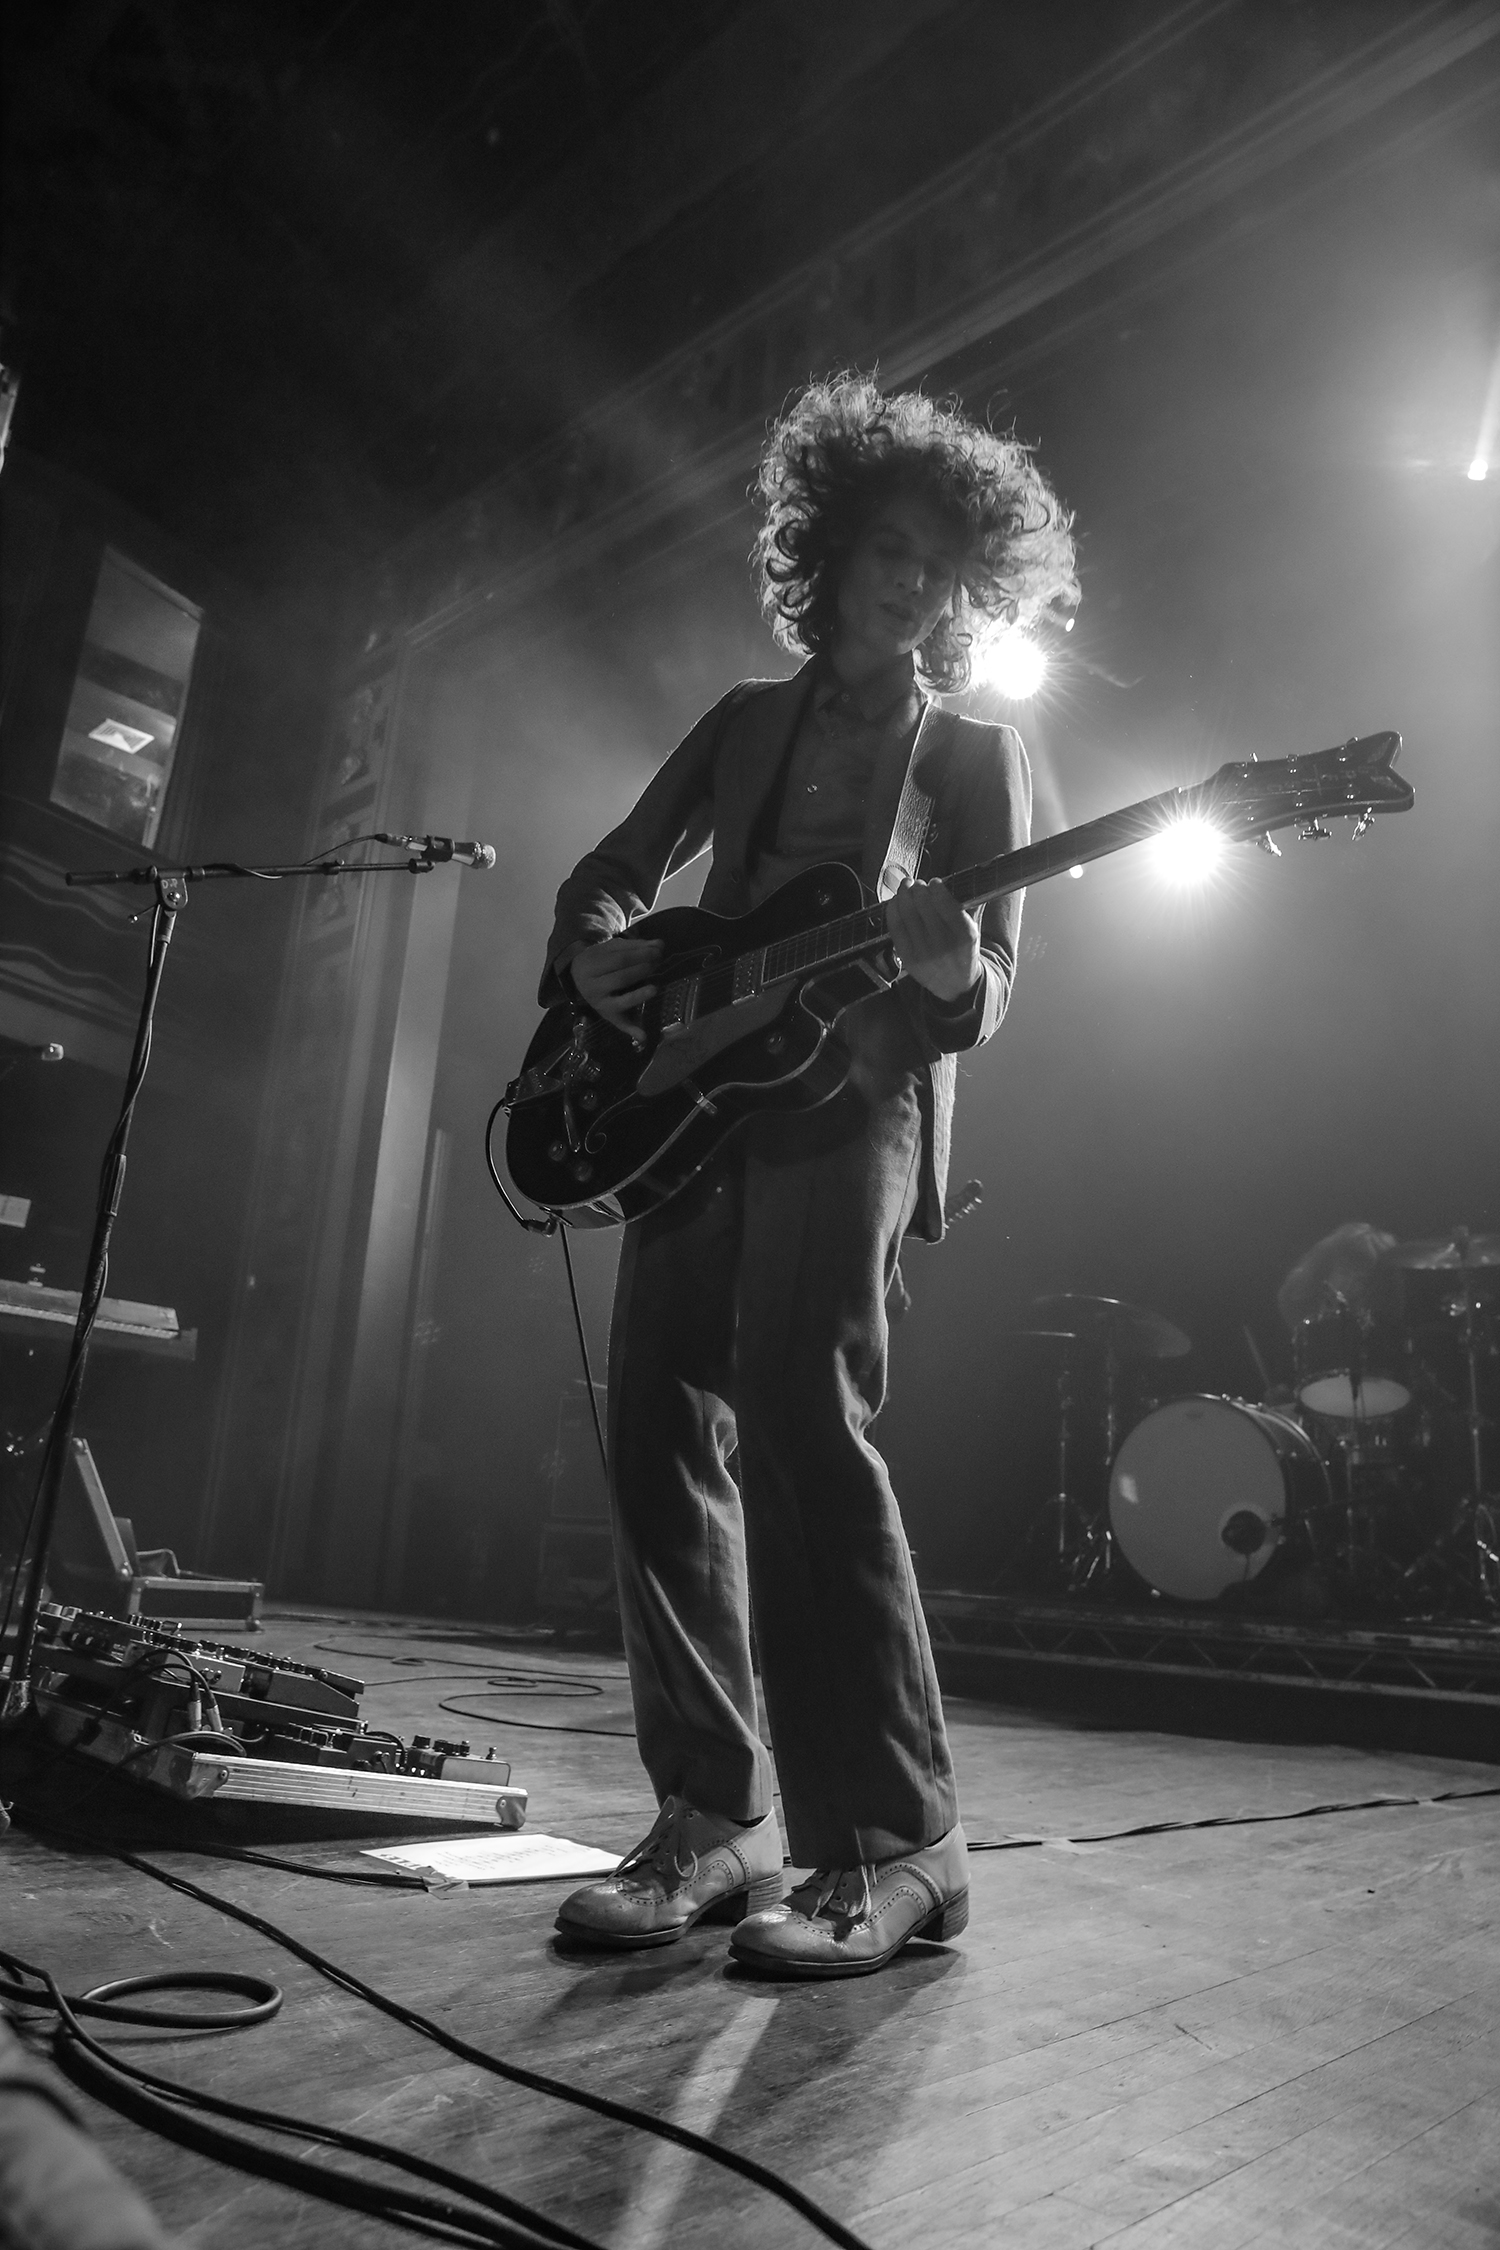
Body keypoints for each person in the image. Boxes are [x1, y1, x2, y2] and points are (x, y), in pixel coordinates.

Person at [538, 374, 1077, 1977]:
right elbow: (611, 875)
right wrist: (597, 949)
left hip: (854, 1103)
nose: (912, 585)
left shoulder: (974, 753)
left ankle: (895, 1845)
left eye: (940, 567)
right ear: (829, 552)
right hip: (693, 1101)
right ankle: (709, 1817)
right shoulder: (740, 723)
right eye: (890, 551)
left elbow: (989, 989)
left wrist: (948, 963)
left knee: (799, 1422)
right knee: (654, 1428)